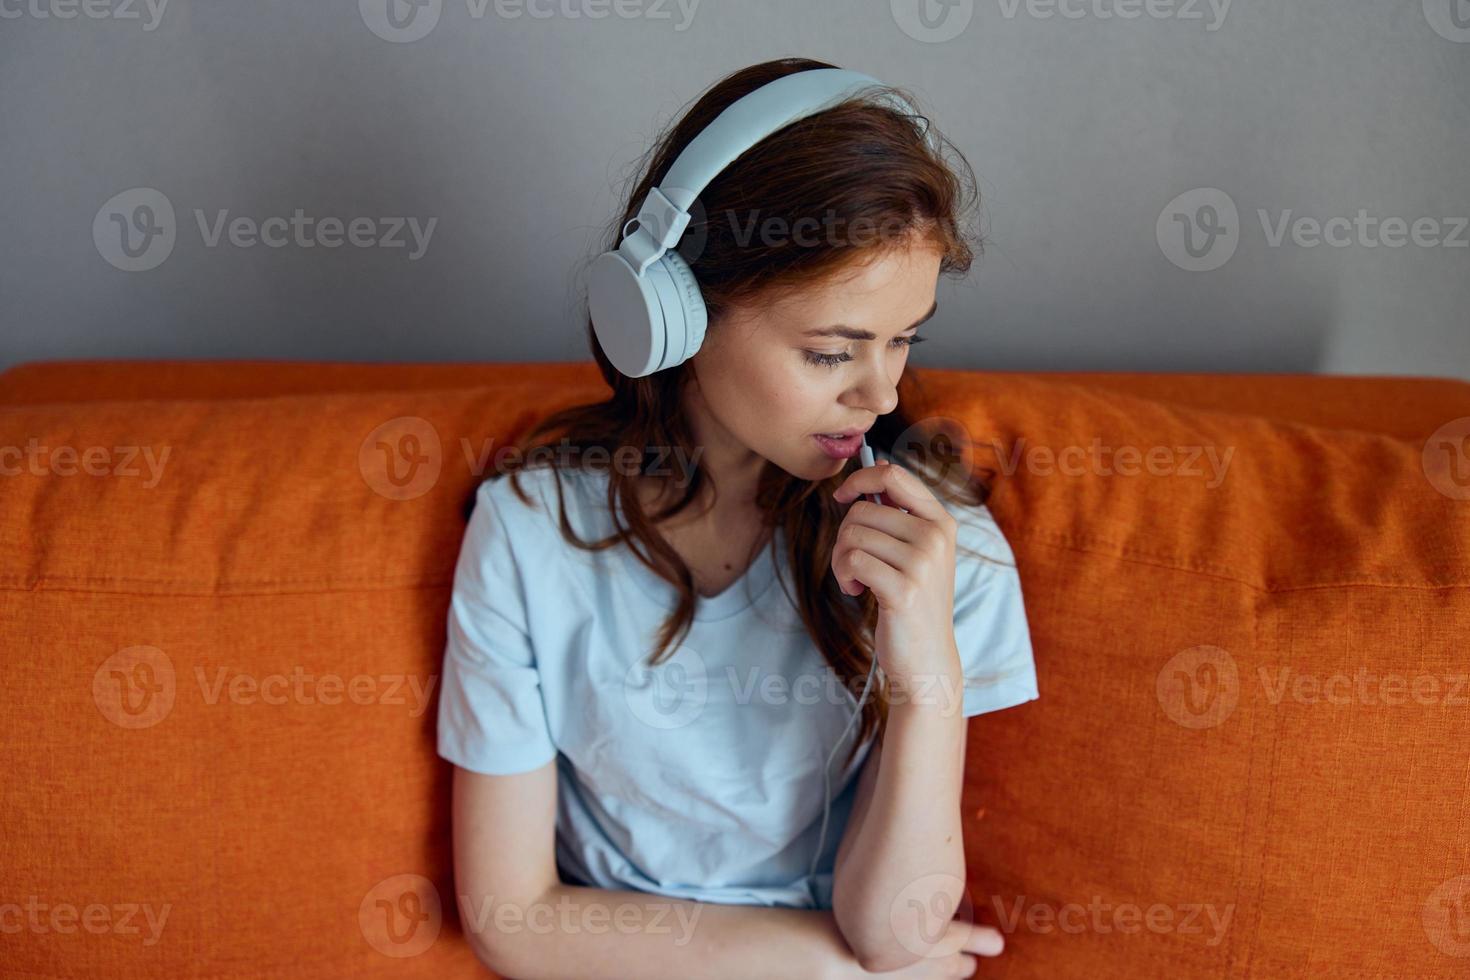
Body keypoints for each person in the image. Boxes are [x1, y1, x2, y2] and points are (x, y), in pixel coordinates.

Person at [436, 57, 1040, 979]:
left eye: (904, 339)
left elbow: (898, 934)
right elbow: (508, 918)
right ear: (669, 314)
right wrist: (830, 971)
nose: (880, 394)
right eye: (833, 351)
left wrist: (926, 679)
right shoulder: (527, 532)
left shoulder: (943, 559)